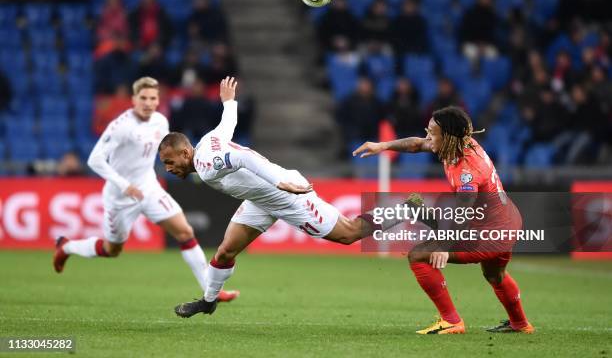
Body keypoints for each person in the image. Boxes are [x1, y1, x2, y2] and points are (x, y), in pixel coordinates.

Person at [158, 77, 377, 317]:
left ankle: (405, 209)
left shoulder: (206, 162)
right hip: (259, 201)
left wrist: (278, 181)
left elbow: (245, 158)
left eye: (170, 161)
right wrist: (229, 102)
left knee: (349, 233)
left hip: (286, 195)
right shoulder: (207, 143)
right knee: (225, 252)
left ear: (185, 152)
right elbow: (227, 124)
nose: (168, 168)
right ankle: (208, 301)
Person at [53, 76, 238, 303]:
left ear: (158, 99)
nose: (148, 103)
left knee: (185, 232)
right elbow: (95, 160)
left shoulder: (160, 121)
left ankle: (212, 292)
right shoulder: (121, 127)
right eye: (143, 98)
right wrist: (124, 185)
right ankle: (67, 247)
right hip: (120, 196)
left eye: (153, 98)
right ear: (133, 99)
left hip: (149, 188)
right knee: (112, 249)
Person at [353, 106, 534, 334]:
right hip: (507, 219)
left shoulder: (467, 170)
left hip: (491, 231)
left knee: (419, 255)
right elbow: (417, 144)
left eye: (432, 132)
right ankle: (520, 324)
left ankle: (452, 321)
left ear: (447, 136)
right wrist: (383, 146)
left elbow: (464, 209)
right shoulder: (456, 144)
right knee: (494, 274)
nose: (427, 136)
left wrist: (445, 245)